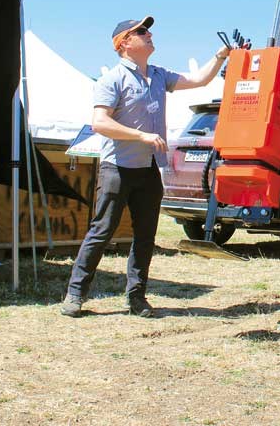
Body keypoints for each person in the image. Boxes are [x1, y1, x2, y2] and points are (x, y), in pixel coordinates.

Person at [60, 16, 230, 318]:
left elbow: (200, 80)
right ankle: (75, 294)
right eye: (141, 31)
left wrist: (220, 56)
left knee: (145, 236)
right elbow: (100, 123)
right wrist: (141, 135)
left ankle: (136, 298)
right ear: (124, 43)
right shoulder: (112, 79)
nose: (149, 34)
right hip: (118, 168)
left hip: (149, 169)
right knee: (102, 232)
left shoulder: (158, 75)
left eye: (148, 30)